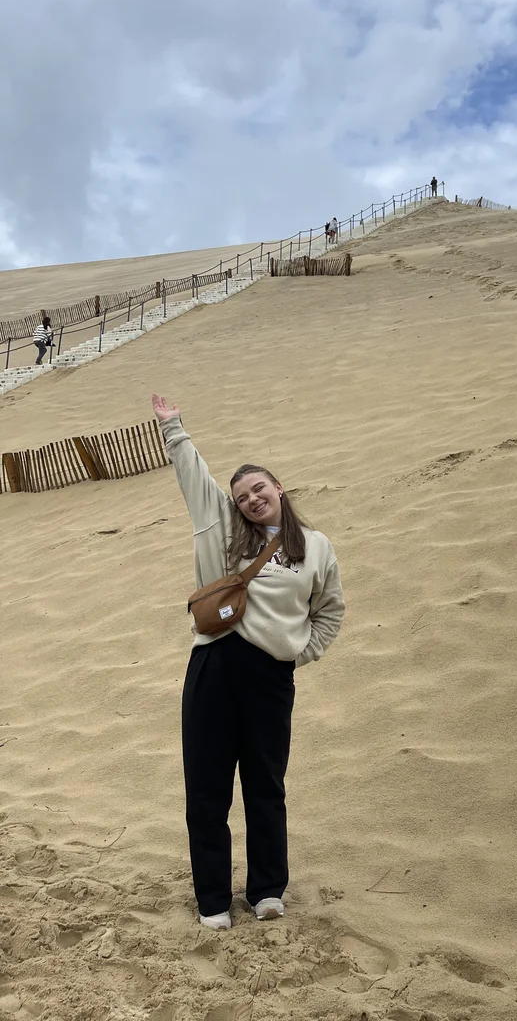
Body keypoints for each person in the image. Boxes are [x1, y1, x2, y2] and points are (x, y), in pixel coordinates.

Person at [150, 394, 345, 931]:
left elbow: (329, 611)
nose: (252, 499)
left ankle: (267, 891)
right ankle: (213, 899)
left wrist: (295, 653)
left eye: (260, 488)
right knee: (207, 789)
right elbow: (193, 475)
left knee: (265, 785)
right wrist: (174, 428)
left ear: (278, 487)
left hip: (269, 679)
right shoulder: (222, 530)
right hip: (213, 671)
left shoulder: (318, 547)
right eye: (242, 496)